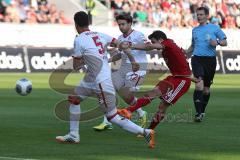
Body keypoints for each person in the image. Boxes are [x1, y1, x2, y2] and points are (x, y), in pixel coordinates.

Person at [55, 11, 155, 148]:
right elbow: (122, 44)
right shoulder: (100, 35)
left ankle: (145, 132)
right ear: (88, 23)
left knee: (112, 116)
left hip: (100, 81)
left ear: (76, 24)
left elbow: (77, 66)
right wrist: (131, 59)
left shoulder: (78, 39)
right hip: (91, 78)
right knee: (74, 99)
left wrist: (85, 57)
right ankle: (73, 135)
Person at [118, 30, 193, 130]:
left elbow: (150, 47)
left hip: (182, 81)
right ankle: (128, 111)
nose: (152, 44)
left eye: (153, 41)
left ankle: (150, 130)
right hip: (174, 78)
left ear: (161, 40)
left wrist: (131, 45)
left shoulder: (168, 43)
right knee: (151, 93)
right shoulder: (169, 45)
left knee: (162, 107)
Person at [93, 13, 148, 131]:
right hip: (123, 68)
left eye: (123, 24)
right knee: (107, 90)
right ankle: (107, 121)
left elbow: (148, 46)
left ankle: (141, 114)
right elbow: (120, 54)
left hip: (137, 68)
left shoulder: (138, 35)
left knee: (126, 94)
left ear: (130, 23)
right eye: (119, 25)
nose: (121, 27)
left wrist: (132, 45)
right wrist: (107, 60)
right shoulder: (120, 38)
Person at [187, 7, 227, 122]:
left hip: (210, 61)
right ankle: (198, 114)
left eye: (201, 14)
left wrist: (218, 42)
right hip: (197, 59)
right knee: (198, 84)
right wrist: (186, 53)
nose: (198, 16)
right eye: (197, 14)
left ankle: (202, 111)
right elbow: (193, 46)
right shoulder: (195, 30)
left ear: (207, 15)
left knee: (206, 90)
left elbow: (225, 42)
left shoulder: (214, 28)